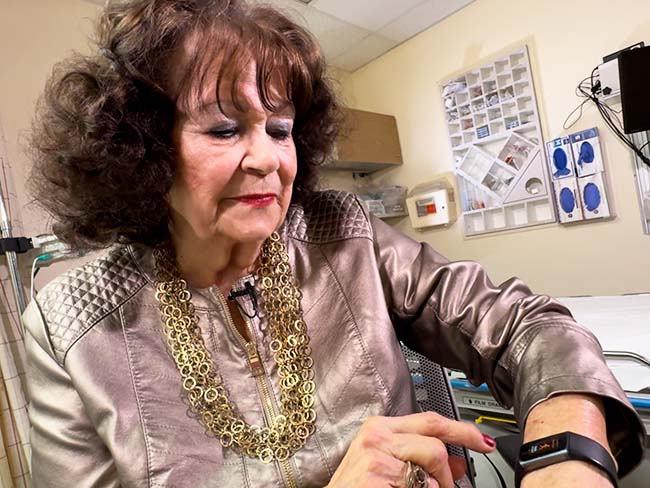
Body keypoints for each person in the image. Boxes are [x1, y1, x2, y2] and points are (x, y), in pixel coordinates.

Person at [24, 1, 645, 487]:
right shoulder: (69, 328)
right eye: (222, 128)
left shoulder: (346, 236)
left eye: (281, 128)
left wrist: (568, 451)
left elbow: (524, 325)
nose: (267, 158)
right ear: (142, 148)